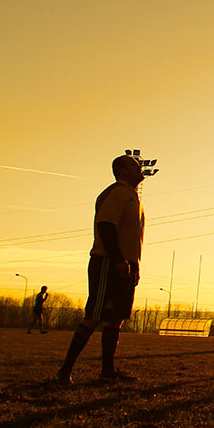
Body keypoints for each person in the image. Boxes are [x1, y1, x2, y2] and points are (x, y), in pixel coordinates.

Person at [56, 154, 146, 385]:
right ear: (123, 171)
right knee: (95, 316)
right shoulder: (116, 193)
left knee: (115, 319)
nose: (140, 168)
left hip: (125, 264)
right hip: (108, 262)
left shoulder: (131, 195)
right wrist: (117, 260)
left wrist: (134, 265)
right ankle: (64, 372)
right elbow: (105, 225)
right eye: (135, 165)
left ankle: (108, 372)